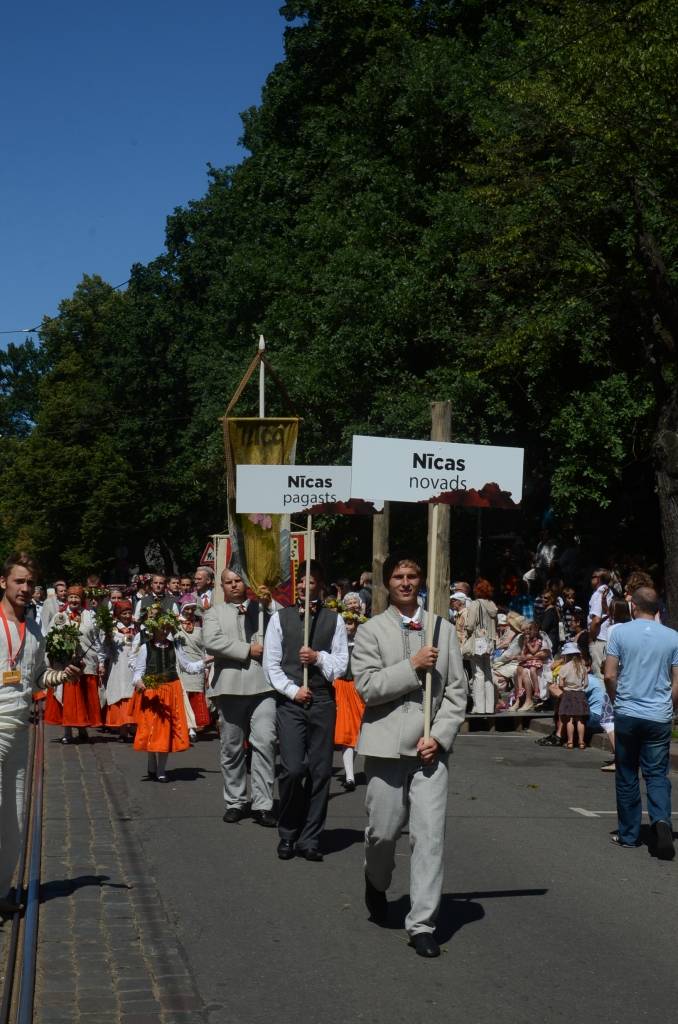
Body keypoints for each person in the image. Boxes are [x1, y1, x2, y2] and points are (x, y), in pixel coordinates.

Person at [352, 554, 467, 959]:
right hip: (384, 747)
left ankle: (421, 924)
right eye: (398, 577)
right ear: (387, 583)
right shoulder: (370, 630)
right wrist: (412, 665)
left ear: (421, 581)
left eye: (412, 576)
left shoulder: (442, 629)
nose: (405, 582)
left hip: (429, 752)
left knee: (429, 836)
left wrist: (441, 734)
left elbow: (456, 691)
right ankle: (375, 879)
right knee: (382, 833)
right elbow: (366, 688)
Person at [0, 553, 79, 913]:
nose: (25, 588)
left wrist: (60, 677)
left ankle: (2, 891)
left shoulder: (33, 630)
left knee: (15, 818)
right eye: (19, 581)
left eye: (30, 583)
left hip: (20, 730)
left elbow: (35, 678)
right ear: (4, 583)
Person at [263, 560, 348, 861]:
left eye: (311, 581)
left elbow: (341, 665)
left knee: (320, 771)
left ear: (320, 586)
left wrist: (318, 657)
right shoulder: (280, 618)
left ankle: (310, 838)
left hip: (323, 700)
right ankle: (288, 830)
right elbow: (271, 665)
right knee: (292, 768)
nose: (303, 585)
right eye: (300, 581)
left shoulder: (333, 620)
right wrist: (292, 690)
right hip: (291, 702)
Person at [604, 587, 678, 858]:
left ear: (633, 606)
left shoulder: (619, 632)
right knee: (657, 773)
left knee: (626, 774)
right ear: (657, 608)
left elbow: (610, 675)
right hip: (659, 714)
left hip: (629, 711)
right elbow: (677, 682)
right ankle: (661, 823)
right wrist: (670, 707)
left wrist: (616, 701)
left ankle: (629, 834)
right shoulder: (673, 637)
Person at [203, 568, 279, 826]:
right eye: (229, 582)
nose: (234, 585)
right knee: (232, 748)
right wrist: (248, 649)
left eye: (238, 581)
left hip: (264, 687)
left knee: (265, 743)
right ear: (222, 586)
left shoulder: (263, 608)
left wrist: (269, 602)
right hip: (230, 686)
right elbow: (212, 642)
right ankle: (236, 800)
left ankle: (263, 803)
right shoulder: (214, 613)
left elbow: (284, 623)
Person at [129, 606, 206, 783]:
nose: (164, 631)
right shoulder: (145, 648)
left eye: (167, 628)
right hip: (152, 691)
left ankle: (162, 769)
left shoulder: (175, 646)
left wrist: (206, 662)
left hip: (172, 690)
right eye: (161, 628)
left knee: (166, 730)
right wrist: (138, 682)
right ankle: (151, 760)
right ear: (154, 628)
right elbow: (138, 672)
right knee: (151, 728)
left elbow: (187, 666)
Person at [44, 585, 103, 743]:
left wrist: (101, 661)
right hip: (66, 664)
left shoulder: (90, 615)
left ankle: (82, 728)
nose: (73, 600)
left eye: (77, 597)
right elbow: (50, 638)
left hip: (87, 662)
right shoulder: (59, 616)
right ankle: (67, 731)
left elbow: (98, 639)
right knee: (68, 697)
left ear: (81, 599)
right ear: (67, 599)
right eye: (71, 597)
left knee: (83, 697)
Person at [332, 593, 366, 791]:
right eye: (345, 622)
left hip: (359, 687)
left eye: (351, 623)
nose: (348, 626)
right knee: (347, 731)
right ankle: (350, 776)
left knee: (360, 732)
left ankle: (352, 771)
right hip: (342, 685)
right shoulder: (337, 637)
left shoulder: (367, 631)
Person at [176, 596, 211, 743]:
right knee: (183, 696)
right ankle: (186, 728)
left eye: (192, 608)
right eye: (187, 608)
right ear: (182, 608)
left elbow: (205, 647)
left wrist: (207, 667)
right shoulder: (174, 623)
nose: (190, 611)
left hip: (198, 664)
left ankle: (193, 727)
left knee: (195, 696)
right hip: (181, 665)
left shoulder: (200, 623)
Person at [103, 599, 137, 741]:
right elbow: (106, 647)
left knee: (133, 695)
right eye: (124, 613)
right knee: (121, 694)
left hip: (133, 667)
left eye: (129, 613)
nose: (127, 616)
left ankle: (134, 728)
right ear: (118, 614)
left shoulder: (137, 628)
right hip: (118, 667)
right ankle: (123, 730)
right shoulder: (112, 629)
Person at [463, 579, 498, 714]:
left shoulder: (475, 604)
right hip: (490, 641)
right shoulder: (492, 605)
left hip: (478, 641)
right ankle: (489, 708)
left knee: (478, 674)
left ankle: (480, 707)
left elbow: (470, 625)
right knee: (488, 673)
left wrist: (466, 628)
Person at [556, 641, 589, 749]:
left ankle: (570, 742)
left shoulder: (565, 667)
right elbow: (586, 684)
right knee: (580, 720)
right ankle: (581, 742)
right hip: (580, 694)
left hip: (568, 694)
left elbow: (560, 684)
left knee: (569, 720)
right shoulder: (582, 667)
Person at [588, 569, 612, 678]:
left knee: (599, 675)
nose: (591, 579)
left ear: (598, 579)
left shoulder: (598, 594)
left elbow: (596, 619)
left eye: (593, 576)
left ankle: (601, 696)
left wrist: (591, 637)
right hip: (607, 637)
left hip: (598, 638)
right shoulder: (609, 592)